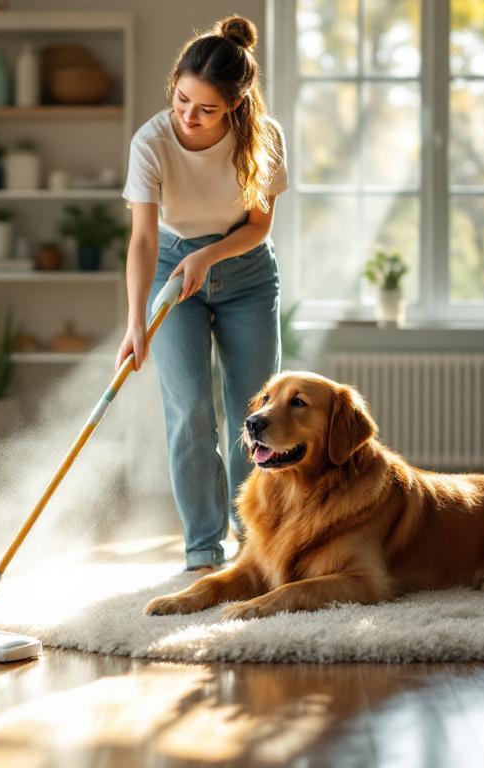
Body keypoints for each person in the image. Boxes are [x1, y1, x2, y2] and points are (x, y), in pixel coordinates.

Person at [116, 15, 288, 572]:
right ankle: (201, 551)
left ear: (235, 106)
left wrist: (208, 255)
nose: (189, 116)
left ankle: (255, 542)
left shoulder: (263, 139)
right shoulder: (152, 141)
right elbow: (143, 239)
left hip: (246, 276)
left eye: (206, 108)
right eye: (182, 99)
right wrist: (135, 322)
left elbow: (258, 227)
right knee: (190, 410)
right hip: (171, 272)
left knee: (255, 416)